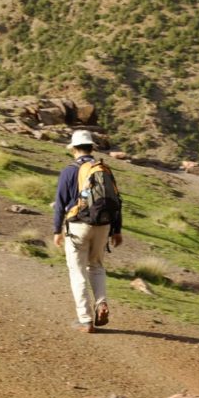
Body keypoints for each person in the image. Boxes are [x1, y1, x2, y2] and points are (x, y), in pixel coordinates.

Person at [52, 130, 123, 333]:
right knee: (97, 266)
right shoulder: (103, 169)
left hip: (78, 226)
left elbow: (60, 203)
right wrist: (116, 230)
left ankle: (85, 320)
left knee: (78, 271)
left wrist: (57, 230)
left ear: (74, 149)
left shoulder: (69, 171)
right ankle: (101, 303)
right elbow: (117, 202)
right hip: (103, 226)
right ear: (92, 148)